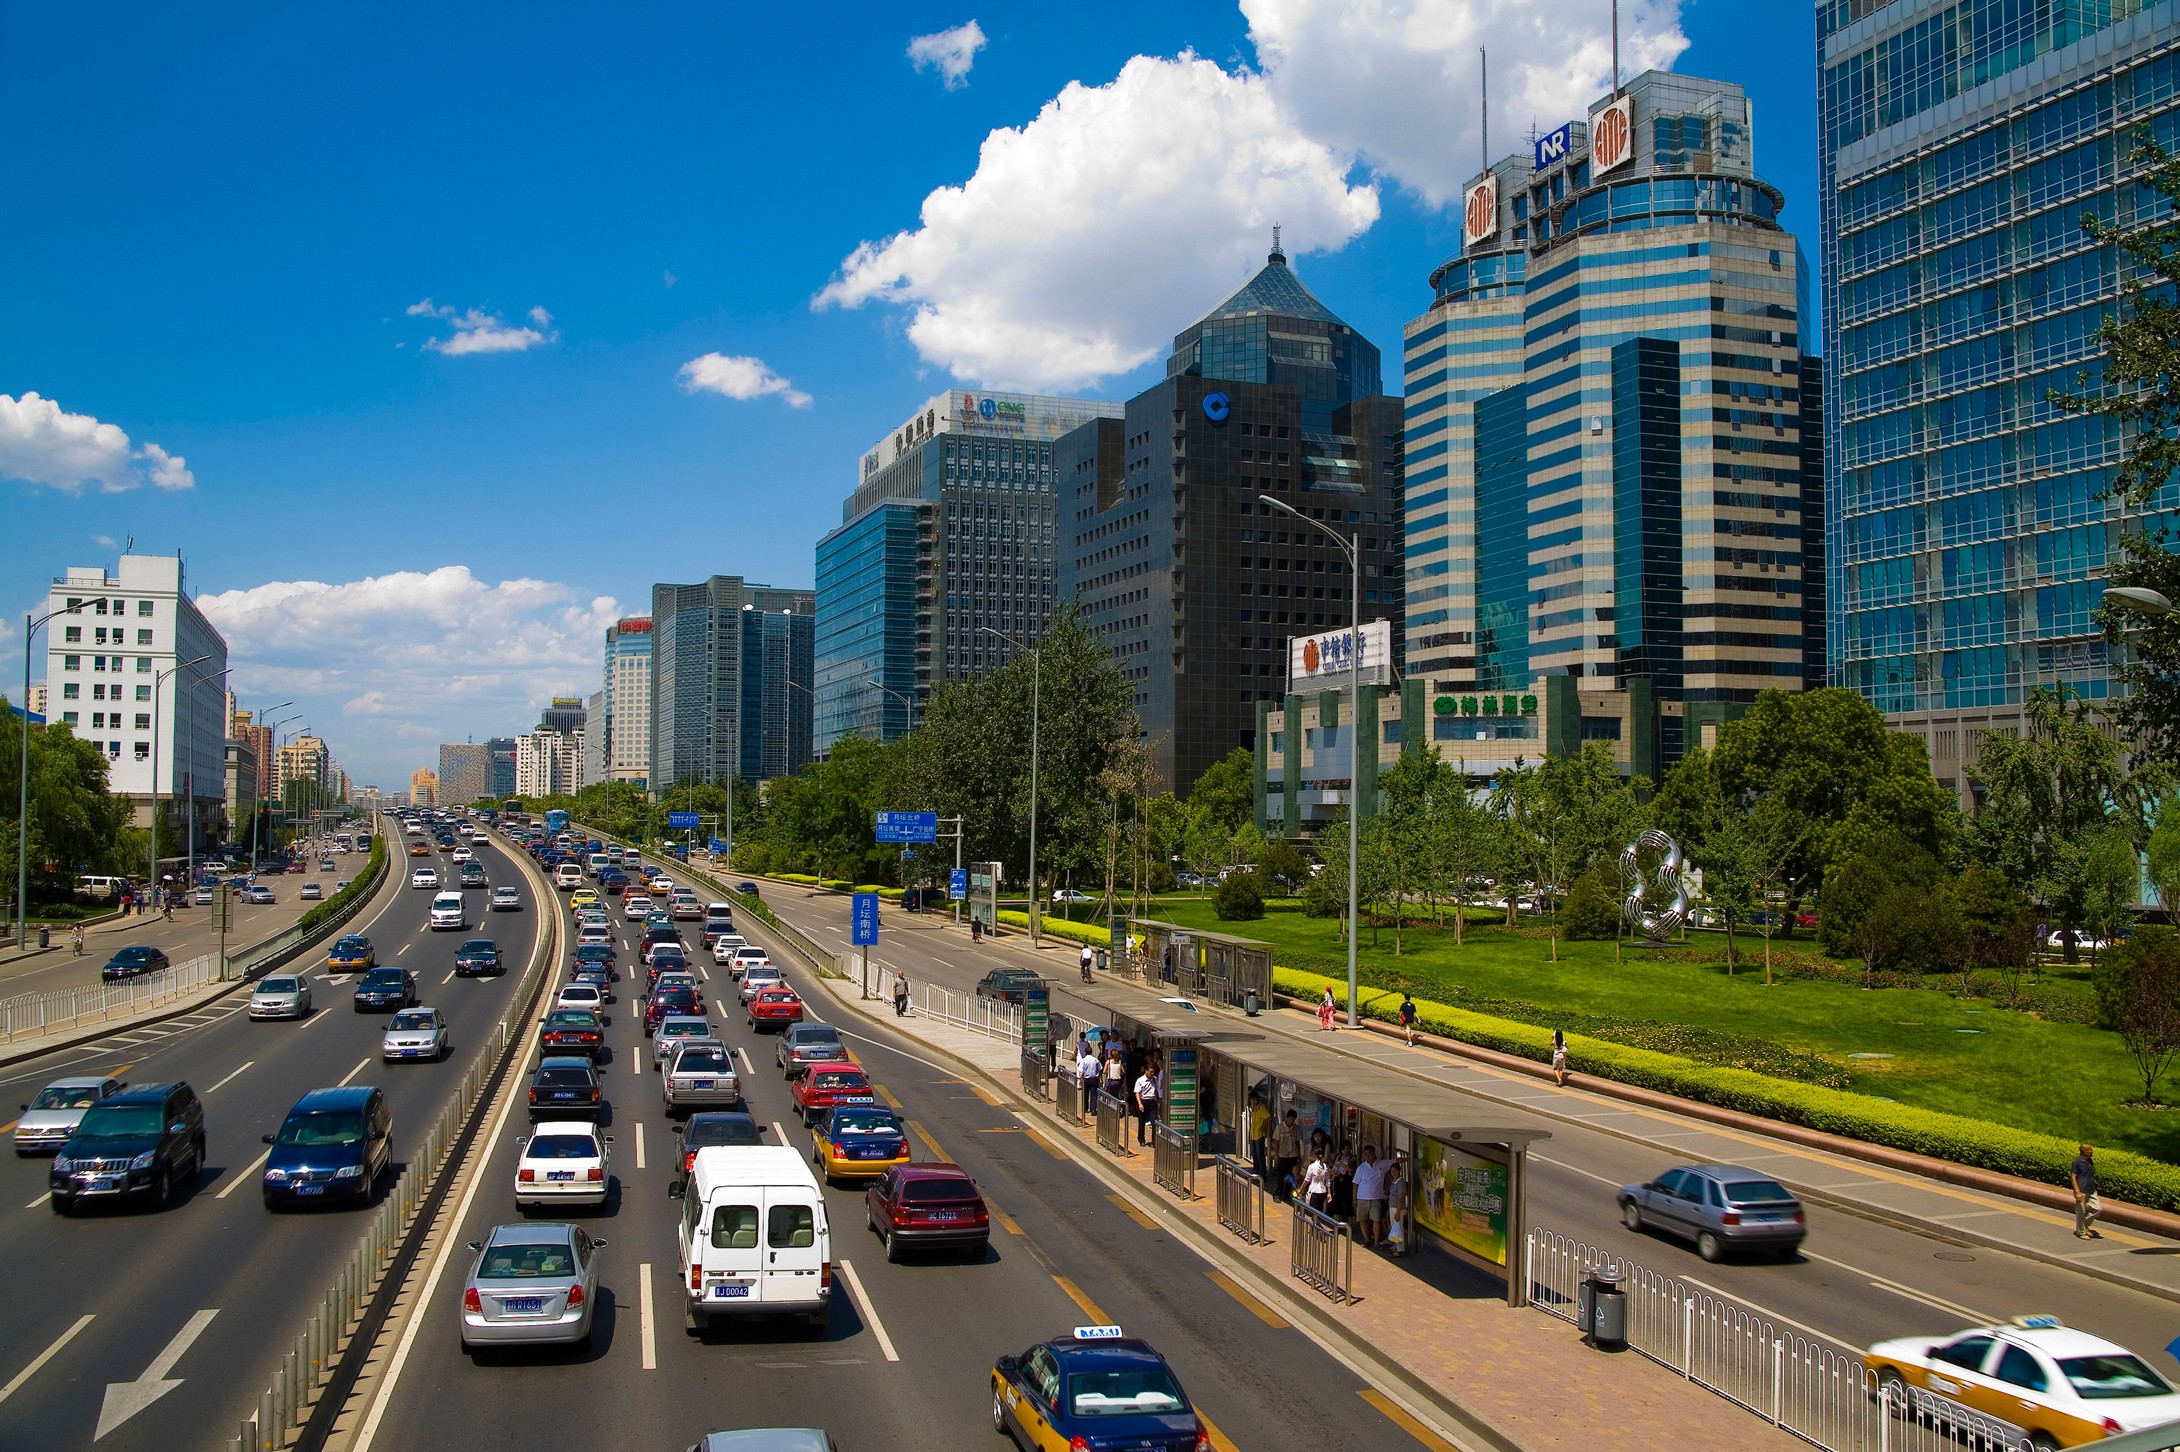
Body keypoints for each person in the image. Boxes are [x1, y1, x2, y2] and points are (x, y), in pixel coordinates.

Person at [1352, 1145, 1388, 1249]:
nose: (1368, 1157)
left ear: (1374, 1154)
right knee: (1362, 1219)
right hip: (1362, 1197)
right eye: (1366, 1155)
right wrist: (1354, 1199)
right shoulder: (1361, 1168)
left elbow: (1394, 1161)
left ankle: (1376, 1241)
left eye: (1370, 1154)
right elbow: (1355, 1184)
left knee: (1376, 1219)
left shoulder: (1381, 1164)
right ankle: (1367, 1239)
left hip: (1376, 1198)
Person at [1271, 1108, 1302, 1202]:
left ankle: (1286, 1194)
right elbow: (1276, 1141)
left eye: (1293, 1120)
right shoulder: (1279, 1127)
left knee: (1291, 1176)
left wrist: (1299, 1155)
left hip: (1293, 1155)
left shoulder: (1296, 1129)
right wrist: (1276, 1154)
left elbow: (1297, 1142)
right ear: (1287, 1118)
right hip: (1282, 1155)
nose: (1291, 1122)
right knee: (1280, 1175)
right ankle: (1277, 1194)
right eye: (1290, 1119)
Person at [2073, 1143, 2101, 1240]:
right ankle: (2081, 1232)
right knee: (2081, 1212)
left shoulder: (2090, 1161)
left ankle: (2084, 1224)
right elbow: (2073, 1177)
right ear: (2084, 1152)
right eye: (2089, 1150)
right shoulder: (2077, 1162)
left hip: (2091, 1189)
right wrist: (2077, 1191)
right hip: (2081, 1190)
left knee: (2098, 1209)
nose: (2091, 1151)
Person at [1386, 1151, 1411, 1256]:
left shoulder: (1401, 1182)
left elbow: (1401, 1198)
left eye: (1395, 1171)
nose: (1393, 1173)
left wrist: (1398, 1211)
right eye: (1392, 1171)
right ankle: (1396, 1246)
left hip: (1398, 1208)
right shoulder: (1394, 1181)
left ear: (1399, 1171)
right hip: (1393, 1207)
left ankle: (1400, 1249)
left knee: (1398, 1228)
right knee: (1395, 1227)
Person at [1131, 1060, 1161, 1146]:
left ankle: (1154, 1141)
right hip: (1143, 1102)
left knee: (1154, 1122)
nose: (1152, 1073)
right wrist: (1140, 1104)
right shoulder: (1140, 1080)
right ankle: (1141, 1140)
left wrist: (1157, 1101)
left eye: (1153, 1072)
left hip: (1152, 1102)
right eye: (1150, 1072)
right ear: (1146, 1071)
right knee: (1142, 1122)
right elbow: (1137, 1093)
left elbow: (1156, 1090)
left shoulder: (1154, 1079)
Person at [1246, 1092, 1272, 1182]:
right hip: (1253, 1135)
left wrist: (1262, 1127)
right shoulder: (1253, 1107)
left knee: (1260, 1156)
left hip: (1259, 1136)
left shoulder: (1261, 1108)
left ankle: (1262, 1175)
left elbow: (1268, 1117)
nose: (1253, 1101)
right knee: (1254, 1155)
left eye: (1254, 1099)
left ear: (1257, 1099)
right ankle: (1255, 1172)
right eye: (1251, 1099)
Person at [1300, 1146, 1334, 1213]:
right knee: (1319, 1210)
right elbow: (1328, 1181)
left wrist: (1300, 1189)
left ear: (1314, 1155)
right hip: (1323, 1191)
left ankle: (1316, 1220)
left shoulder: (1311, 1167)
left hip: (1313, 1191)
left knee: (1313, 1212)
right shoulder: (1326, 1167)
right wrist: (1329, 1193)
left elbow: (1306, 1180)